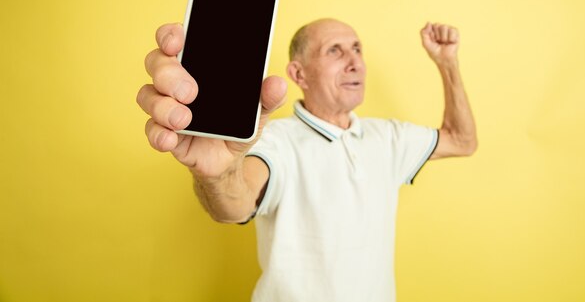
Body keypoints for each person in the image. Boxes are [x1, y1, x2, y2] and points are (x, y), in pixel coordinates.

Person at [137, 18, 477, 302]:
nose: (355, 61)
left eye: (357, 48)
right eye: (335, 51)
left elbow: (462, 140)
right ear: (299, 75)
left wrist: (448, 63)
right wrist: (216, 175)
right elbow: (236, 204)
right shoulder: (275, 140)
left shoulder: (388, 137)